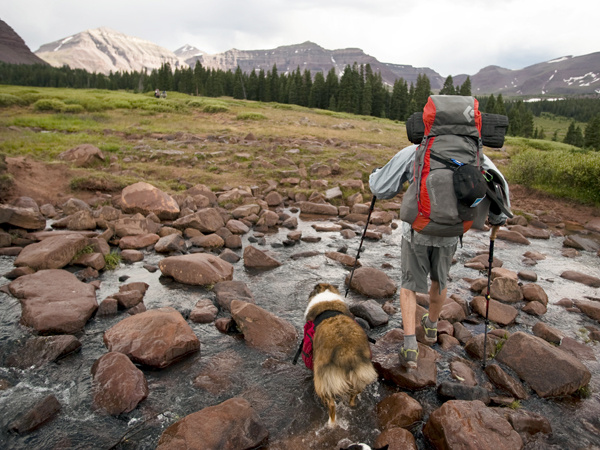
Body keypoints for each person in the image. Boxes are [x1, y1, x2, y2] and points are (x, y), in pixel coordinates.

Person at [369, 138, 510, 370]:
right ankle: (432, 327)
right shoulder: (476, 156)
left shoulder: (416, 151)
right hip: (452, 233)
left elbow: (381, 189)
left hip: (417, 230)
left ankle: (410, 347)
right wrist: (497, 219)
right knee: (439, 279)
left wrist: (374, 177)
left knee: (409, 284)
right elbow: (499, 185)